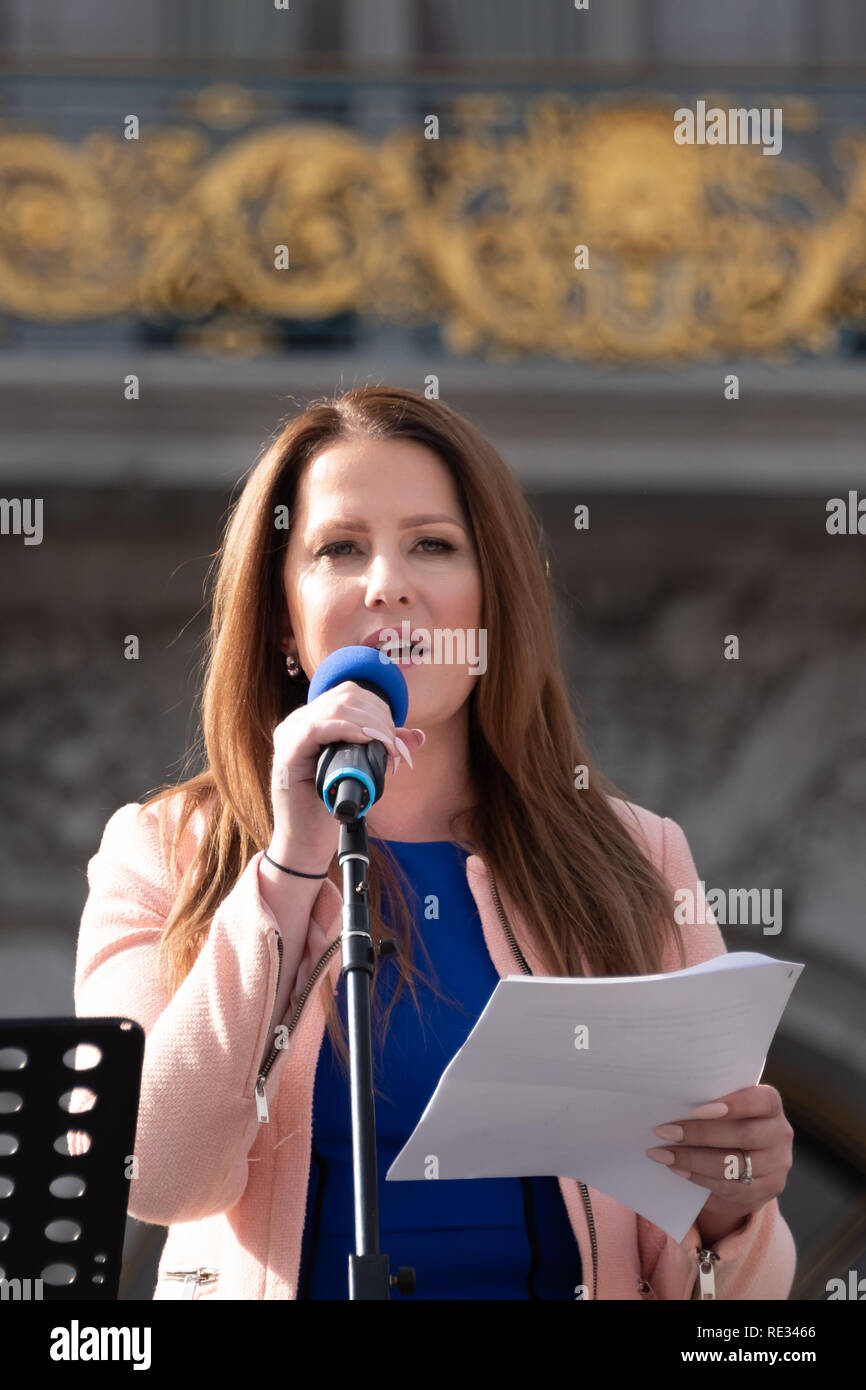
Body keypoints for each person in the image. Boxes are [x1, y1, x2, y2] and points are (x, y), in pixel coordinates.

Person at [74, 386, 796, 1300]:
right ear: (283, 624)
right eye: (339, 548)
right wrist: (289, 866)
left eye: (434, 544)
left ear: (492, 608)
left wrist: (732, 1210)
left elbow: (740, 1304)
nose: (388, 582)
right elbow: (153, 1177)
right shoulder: (161, 853)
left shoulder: (638, 858)